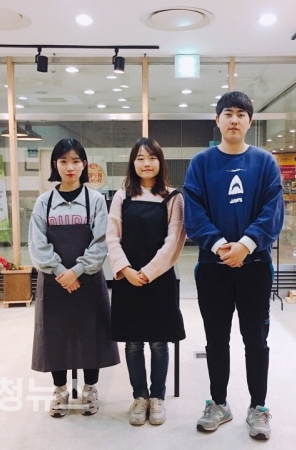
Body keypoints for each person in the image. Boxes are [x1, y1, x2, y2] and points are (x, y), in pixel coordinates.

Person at [183, 91, 284, 441]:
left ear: (250, 121)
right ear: (217, 120)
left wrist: (246, 245)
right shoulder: (201, 163)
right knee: (216, 339)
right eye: (228, 113)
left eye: (242, 114)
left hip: (255, 265)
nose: (235, 120)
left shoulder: (264, 163)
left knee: (256, 339)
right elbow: (193, 212)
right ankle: (219, 403)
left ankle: (258, 407)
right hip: (213, 266)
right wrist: (219, 245)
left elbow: (273, 211)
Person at [29, 138, 120, 419]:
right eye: (64, 161)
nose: (70, 167)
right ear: (55, 165)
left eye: (76, 161)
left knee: (91, 334)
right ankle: (60, 391)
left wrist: (77, 271)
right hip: (54, 283)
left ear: (84, 165)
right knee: (55, 336)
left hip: (88, 281)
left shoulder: (95, 201)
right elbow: (37, 244)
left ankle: (90, 389)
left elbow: (101, 242)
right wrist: (60, 272)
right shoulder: (44, 202)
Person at [107, 137, 186, 426]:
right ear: (133, 163)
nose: (146, 163)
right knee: (133, 343)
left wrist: (149, 272)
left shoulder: (173, 197)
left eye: (151, 157)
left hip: (160, 280)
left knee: (159, 343)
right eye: (140, 158)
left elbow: (174, 240)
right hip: (128, 279)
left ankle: (157, 397)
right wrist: (126, 269)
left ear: (160, 162)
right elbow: (112, 236)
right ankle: (139, 396)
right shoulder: (122, 196)